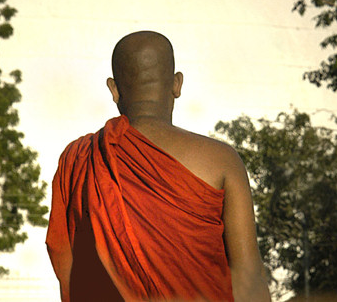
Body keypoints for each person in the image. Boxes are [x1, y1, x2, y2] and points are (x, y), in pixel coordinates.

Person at [46, 30, 271, 302]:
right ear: (177, 84)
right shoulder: (221, 159)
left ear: (114, 89)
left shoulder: (81, 158)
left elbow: (67, 261)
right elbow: (248, 274)